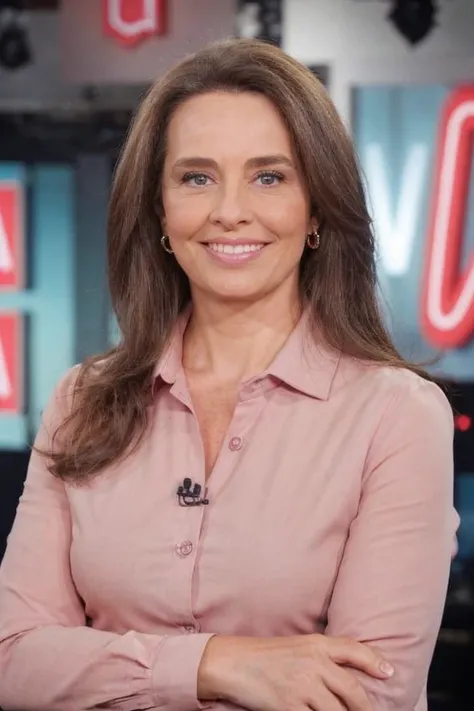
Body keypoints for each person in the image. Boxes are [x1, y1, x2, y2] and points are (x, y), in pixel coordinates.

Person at [0, 38, 458, 711]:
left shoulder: (397, 415)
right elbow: (14, 660)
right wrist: (216, 664)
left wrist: (103, 668)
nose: (229, 210)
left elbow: (368, 694)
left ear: (316, 212)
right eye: (197, 177)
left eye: (269, 176)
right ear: (161, 212)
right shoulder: (82, 398)